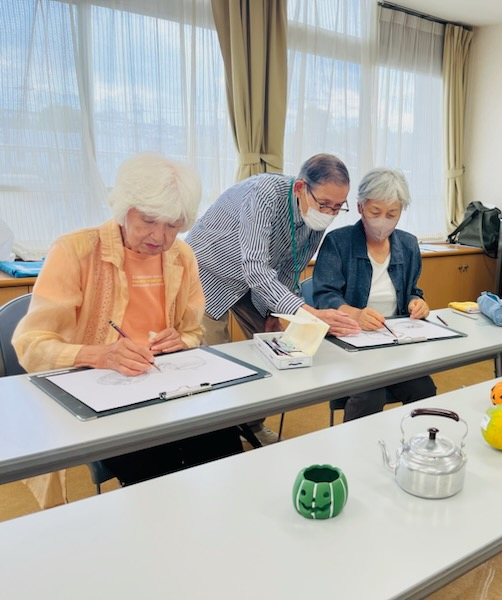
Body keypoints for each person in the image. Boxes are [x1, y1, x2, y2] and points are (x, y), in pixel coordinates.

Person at [12, 153, 243, 506]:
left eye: (173, 225)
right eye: (149, 220)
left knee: (221, 443)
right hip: (105, 396)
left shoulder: (181, 256)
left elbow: (194, 331)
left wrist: (181, 339)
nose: (160, 237)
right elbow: (30, 345)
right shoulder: (76, 251)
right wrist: (99, 355)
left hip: (168, 387)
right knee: (158, 473)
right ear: (124, 209)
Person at [186, 154, 360, 444]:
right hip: (209, 271)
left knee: (275, 346)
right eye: (324, 204)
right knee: (215, 358)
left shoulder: (316, 215)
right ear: (300, 188)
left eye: (337, 207)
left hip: (256, 282)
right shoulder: (263, 193)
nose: (329, 213)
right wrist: (305, 313)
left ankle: (251, 425)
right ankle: (217, 437)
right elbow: (254, 266)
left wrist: (275, 314)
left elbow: (292, 267)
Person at [312, 167, 437, 421]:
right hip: (351, 343)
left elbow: (413, 291)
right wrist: (355, 315)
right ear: (360, 207)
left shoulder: (408, 244)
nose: (383, 221)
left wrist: (417, 302)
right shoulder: (338, 242)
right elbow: (325, 296)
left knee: (423, 388)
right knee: (370, 394)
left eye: (392, 214)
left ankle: (415, 440)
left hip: (395, 343)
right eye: (375, 212)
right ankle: (355, 444)